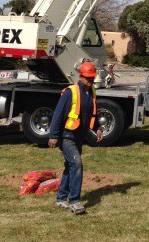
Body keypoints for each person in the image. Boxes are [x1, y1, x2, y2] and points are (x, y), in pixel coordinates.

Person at [49, 61, 103, 214]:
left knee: (70, 166)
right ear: (81, 76)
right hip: (66, 136)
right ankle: (75, 201)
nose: (90, 80)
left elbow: (93, 112)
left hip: (79, 136)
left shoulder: (91, 91)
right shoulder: (70, 92)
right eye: (88, 78)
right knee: (76, 163)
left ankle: (61, 198)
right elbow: (58, 114)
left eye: (92, 77)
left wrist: (97, 127)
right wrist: (53, 136)